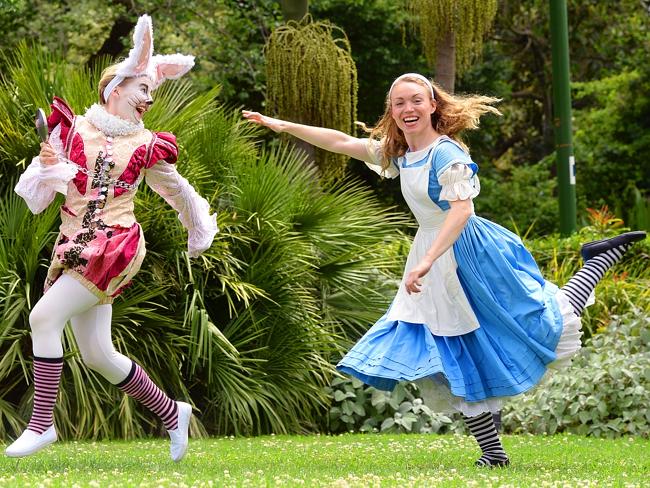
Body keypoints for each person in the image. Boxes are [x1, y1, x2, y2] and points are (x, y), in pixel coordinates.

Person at [243, 73, 645, 467]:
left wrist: (427, 260)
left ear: (433, 105)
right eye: (399, 103)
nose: (407, 108)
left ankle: (599, 259)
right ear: (392, 112)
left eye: (416, 100)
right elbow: (343, 142)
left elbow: (461, 210)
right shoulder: (402, 154)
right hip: (435, 253)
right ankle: (494, 452)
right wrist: (282, 125)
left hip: (467, 251)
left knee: (535, 322)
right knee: (454, 350)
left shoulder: (446, 153)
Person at [6, 15, 218, 461]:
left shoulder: (147, 144)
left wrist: (197, 226)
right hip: (73, 244)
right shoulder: (74, 130)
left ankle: (41, 424)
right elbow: (41, 196)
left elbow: (177, 190)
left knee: (44, 319)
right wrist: (47, 162)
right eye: (142, 89)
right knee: (98, 353)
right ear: (116, 87)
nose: (148, 99)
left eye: (151, 93)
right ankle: (171, 410)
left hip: (116, 245)